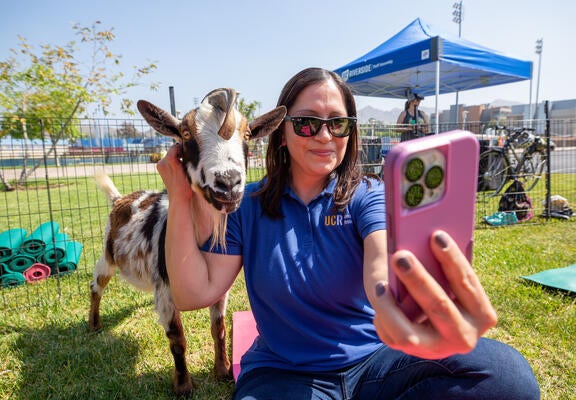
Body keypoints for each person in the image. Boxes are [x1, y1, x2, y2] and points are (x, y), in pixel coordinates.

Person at [157, 67, 540, 399]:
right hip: (282, 375)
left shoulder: (368, 194)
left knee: (505, 377)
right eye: (307, 123)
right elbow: (194, 293)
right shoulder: (250, 204)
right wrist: (178, 193)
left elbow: (380, 266)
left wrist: (389, 302)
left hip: (376, 362)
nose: (324, 135)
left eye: (337, 123)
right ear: (281, 134)